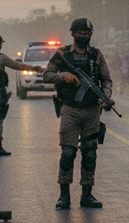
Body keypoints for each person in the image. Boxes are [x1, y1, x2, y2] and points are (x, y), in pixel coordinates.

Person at [42, 17, 114, 209]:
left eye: (87, 34)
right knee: (68, 153)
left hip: (92, 110)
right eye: (81, 33)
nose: (84, 36)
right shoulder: (63, 54)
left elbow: (106, 80)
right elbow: (47, 75)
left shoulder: (96, 55)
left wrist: (105, 97)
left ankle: (87, 194)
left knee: (90, 153)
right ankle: (64, 195)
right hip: (70, 108)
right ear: (73, 34)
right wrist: (63, 76)